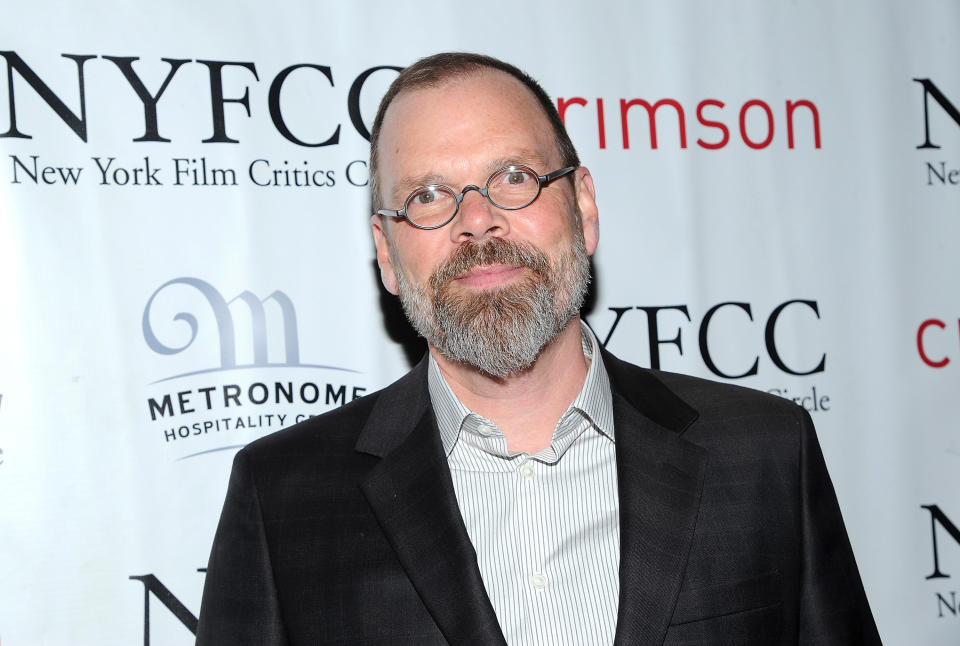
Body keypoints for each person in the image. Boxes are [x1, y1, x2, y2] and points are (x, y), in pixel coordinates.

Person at [196, 52, 881, 645]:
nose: (477, 220)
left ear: (583, 207)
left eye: (515, 176)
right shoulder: (282, 496)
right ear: (385, 251)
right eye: (428, 195)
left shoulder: (763, 453)